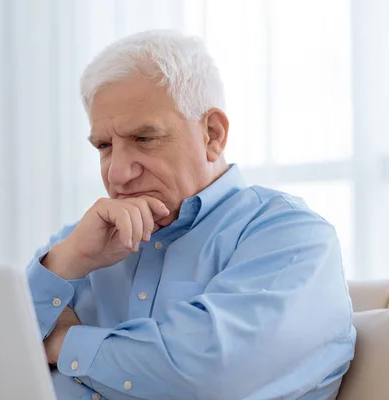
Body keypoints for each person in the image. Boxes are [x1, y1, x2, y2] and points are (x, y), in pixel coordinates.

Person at [26, 30, 355, 400]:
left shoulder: (293, 237)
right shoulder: (78, 245)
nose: (116, 173)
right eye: (104, 146)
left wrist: (61, 343)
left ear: (212, 134)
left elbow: (209, 377)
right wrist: (62, 264)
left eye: (144, 139)